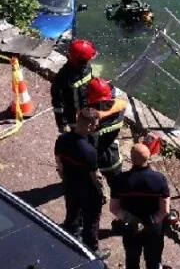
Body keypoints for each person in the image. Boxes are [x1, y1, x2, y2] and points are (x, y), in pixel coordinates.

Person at [55, 107, 108, 256]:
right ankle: (92, 250)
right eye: (95, 124)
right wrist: (102, 193)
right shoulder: (89, 151)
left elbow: (59, 162)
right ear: (90, 125)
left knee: (72, 212)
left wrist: (65, 178)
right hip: (87, 191)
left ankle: (71, 234)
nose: (96, 127)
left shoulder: (62, 139)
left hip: (70, 184)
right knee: (91, 220)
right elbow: (95, 176)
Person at [110, 143, 171, 269]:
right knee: (153, 260)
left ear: (131, 159)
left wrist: (131, 219)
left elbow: (114, 208)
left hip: (131, 227)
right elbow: (165, 210)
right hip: (153, 228)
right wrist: (151, 221)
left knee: (132, 260)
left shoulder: (120, 180)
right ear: (148, 157)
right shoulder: (159, 180)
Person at [84, 77, 130, 188]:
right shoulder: (119, 113)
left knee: (90, 181)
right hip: (111, 159)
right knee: (116, 187)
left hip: (89, 159)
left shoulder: (84, 117)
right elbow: (121, 103)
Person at [52, 38, 97, 133]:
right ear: (81, 60)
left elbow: (89, 84)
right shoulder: (62, 79)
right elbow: (58, 105)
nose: (91, 59)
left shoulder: (87, 67)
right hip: (72, 114)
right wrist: (62, 124)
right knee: (76, 132)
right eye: (89, 57)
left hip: (86, 108)